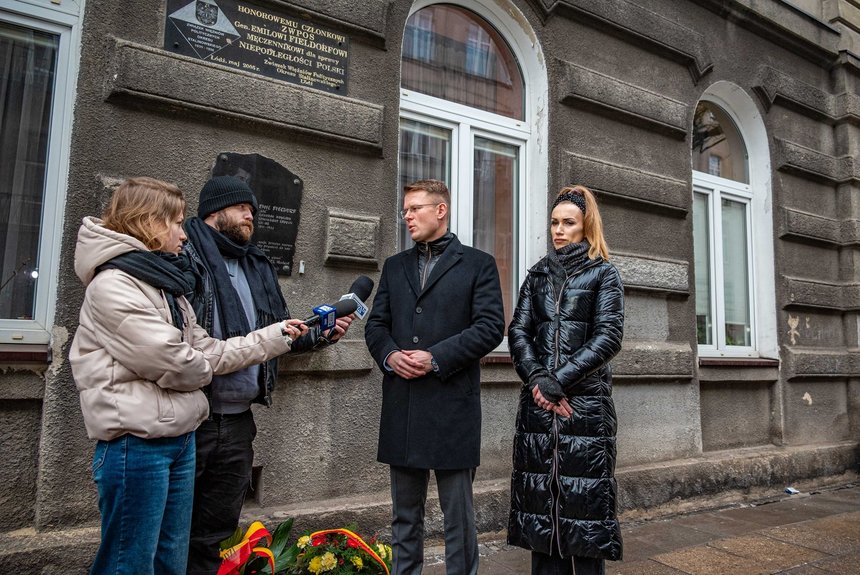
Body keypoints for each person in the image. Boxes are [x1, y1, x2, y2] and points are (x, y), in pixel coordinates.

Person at [69, 177, 309, 575]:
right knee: (129, 562)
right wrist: (204, 368)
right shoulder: (114, 285)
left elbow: (208, 348)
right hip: (136, 445)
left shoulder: (166, 285)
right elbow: (176, 361)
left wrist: (276, 335)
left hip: (177, 437)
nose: (184, 233)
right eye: (177, 223)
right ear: (149, 222)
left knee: (171, 560)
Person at [182, 175, 353, 575]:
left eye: (253, 211)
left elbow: (277, 335)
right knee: (173, 530)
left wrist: (319, 336)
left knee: (215, 531)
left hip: (239, 421)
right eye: (242, 207)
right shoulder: (186, 260)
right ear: (214, 211)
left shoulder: (256, 265)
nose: (250, 216)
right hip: (192, 417)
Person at [365, 179, 505, 575]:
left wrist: (436, 357)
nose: (407, 216)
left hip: (452, 409)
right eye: (405, 210)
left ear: (440, 210)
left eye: (414, 208)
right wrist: (390, 355)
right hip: (403, 407)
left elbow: (491, 327)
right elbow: (376, 326)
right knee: (404, 519)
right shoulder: (394, 266)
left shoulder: (478, 264)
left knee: (458, 520)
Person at [507, 185, 625, 575]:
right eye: (554, 222)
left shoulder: (603, 273)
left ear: (586, 226)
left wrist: (558, 380)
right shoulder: (537, 275)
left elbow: (608, 336)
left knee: (585, 521)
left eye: (568, 223)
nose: (558, 230)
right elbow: (519, 332)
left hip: (585, 409)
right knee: (542, 520)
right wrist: (538, 379)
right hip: (538, 411)